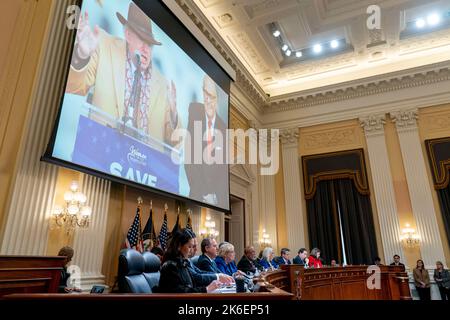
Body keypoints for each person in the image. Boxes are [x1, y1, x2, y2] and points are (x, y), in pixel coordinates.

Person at [67, 2, 180, 148]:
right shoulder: (104, 46)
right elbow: (73, 87)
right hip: (99, 154)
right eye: (142, 39)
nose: (146, 49)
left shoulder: (163, 85)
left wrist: (173, 114)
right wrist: (81, 55)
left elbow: (176, 142)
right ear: (128, 35)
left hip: (142, 168)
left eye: (150, 43)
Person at [185, 75, 228, 208]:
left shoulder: (224, 128)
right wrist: (203, 194)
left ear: (218, 98)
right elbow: (190, 159)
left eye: (212, 96)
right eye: (205, 93)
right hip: (197, 194)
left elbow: (222, 171)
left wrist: (214, 196)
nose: (208, 100)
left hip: (215, 200)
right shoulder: (195, 111)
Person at [158, 229, 221, 293]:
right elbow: (181, 292)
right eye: (189, 247)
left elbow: (194, 279)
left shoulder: (183, 262)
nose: (191, 250)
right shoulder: (170, 266)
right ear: (179, 246)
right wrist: (206, 289)